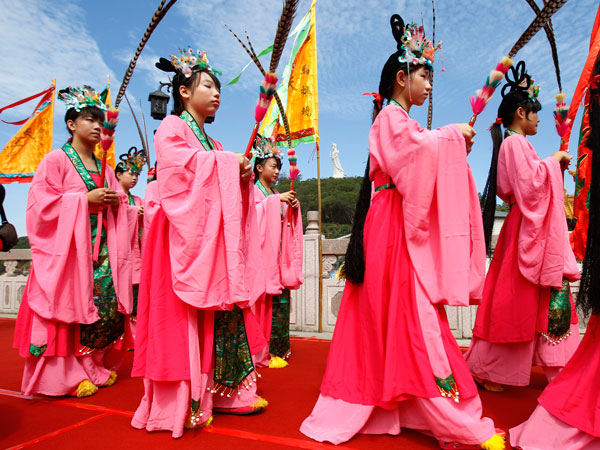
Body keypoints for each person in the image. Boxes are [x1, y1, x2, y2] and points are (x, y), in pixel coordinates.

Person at [300, 15, 504, 449]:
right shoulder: (391, 120)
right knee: (415, 316)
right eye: (424, 75)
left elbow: (422, 155)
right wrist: (450, 138)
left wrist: (448, 141)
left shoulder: (399, 121)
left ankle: (405, 404)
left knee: (400, 315)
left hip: (393, 223)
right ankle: (444, 412)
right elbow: (415, 159)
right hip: (394, 228)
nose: (429, 85)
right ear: (401, 77)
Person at [131, 48, 267, 438]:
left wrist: (239, 173)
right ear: (184, 91)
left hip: (210, 242)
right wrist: (226, 165)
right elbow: (175, 172)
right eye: (208, 85)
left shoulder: (214, 142)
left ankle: (223, 391)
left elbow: (222, 187)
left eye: (218, 87)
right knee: (183, 317)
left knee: (219, 314)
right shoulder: (171, 128)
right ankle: (187, 397)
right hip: (181, 240)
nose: (216, 93)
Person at [13, 86, 135, 397]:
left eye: (100, 121)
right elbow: (40, 206)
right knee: (65, 310)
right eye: (89, 119)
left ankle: (92, 364)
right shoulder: (55, 160)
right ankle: (63, 376)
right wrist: (83, 198)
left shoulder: (105, 167)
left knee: (105, 308)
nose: (97, 126)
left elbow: (123, 202)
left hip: (103, 249)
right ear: (71, 124)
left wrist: (118, 203)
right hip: (68, 252)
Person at [465, 61, 580, 392]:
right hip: (525, 231)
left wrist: (552, 166)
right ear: (520, 113)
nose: (539, 119)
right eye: (534, 113)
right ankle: (493, 369)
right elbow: (529, 187)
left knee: (522, 299)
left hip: (526, 229)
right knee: (516, 300)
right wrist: (552, 162)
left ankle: (531, 367)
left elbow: (531, 184)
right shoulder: (515, 144)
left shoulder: (518, 144)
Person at [251, 135, 303, 368]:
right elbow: (250, 217)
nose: (276, 171)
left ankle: (278, 349)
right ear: (259, 166)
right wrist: (274, 202)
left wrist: (291, 206)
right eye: (273, 166)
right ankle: (262, 350)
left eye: (279, 167)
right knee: (262, 305)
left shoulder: (272, 193)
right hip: (260, 261)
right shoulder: (254, 192)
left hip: (276, 259)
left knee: (280, 303)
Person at [115, 147, 145, 330]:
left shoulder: (138, 200)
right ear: (118, 174)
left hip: (135, 255)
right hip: (117, 254)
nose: (134, 178)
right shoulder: (113, 196)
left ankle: (134, 335)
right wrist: (133, 212)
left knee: (136, 297)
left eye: (137, 175)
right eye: (131, 173)